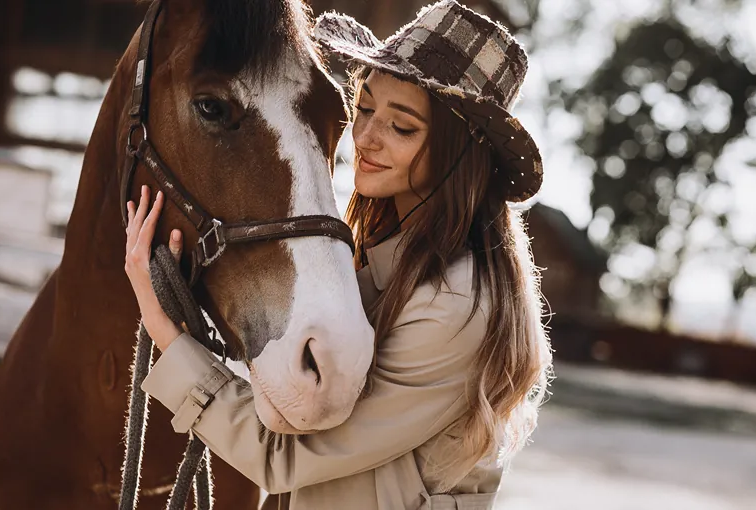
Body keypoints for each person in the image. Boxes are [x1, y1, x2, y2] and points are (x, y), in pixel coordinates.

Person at [124, 1, 552, 508]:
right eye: (365, 108)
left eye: (403, 127)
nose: (366, 139)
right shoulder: (371, 260)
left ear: (459, 152)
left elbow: (281, 460)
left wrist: (166, 333)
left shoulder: (457, 307)